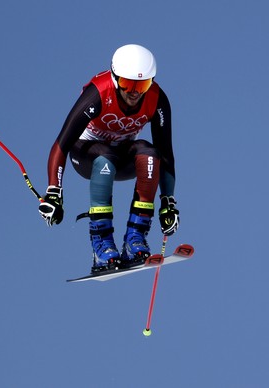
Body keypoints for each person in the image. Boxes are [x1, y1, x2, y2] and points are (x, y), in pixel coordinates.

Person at [38, 44, 180, 274]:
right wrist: (54, 192)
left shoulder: (157, 99)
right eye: (127, 84)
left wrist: (168, 202)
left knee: (151, 155)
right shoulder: (98, 93)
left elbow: (167, 153)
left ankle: (135, 239)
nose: (134, 92)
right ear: (115, 79)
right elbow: (61, 144)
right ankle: (102, 245)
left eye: (142, 85)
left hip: (122, 156)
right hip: (87, 155)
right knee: (105, 157)